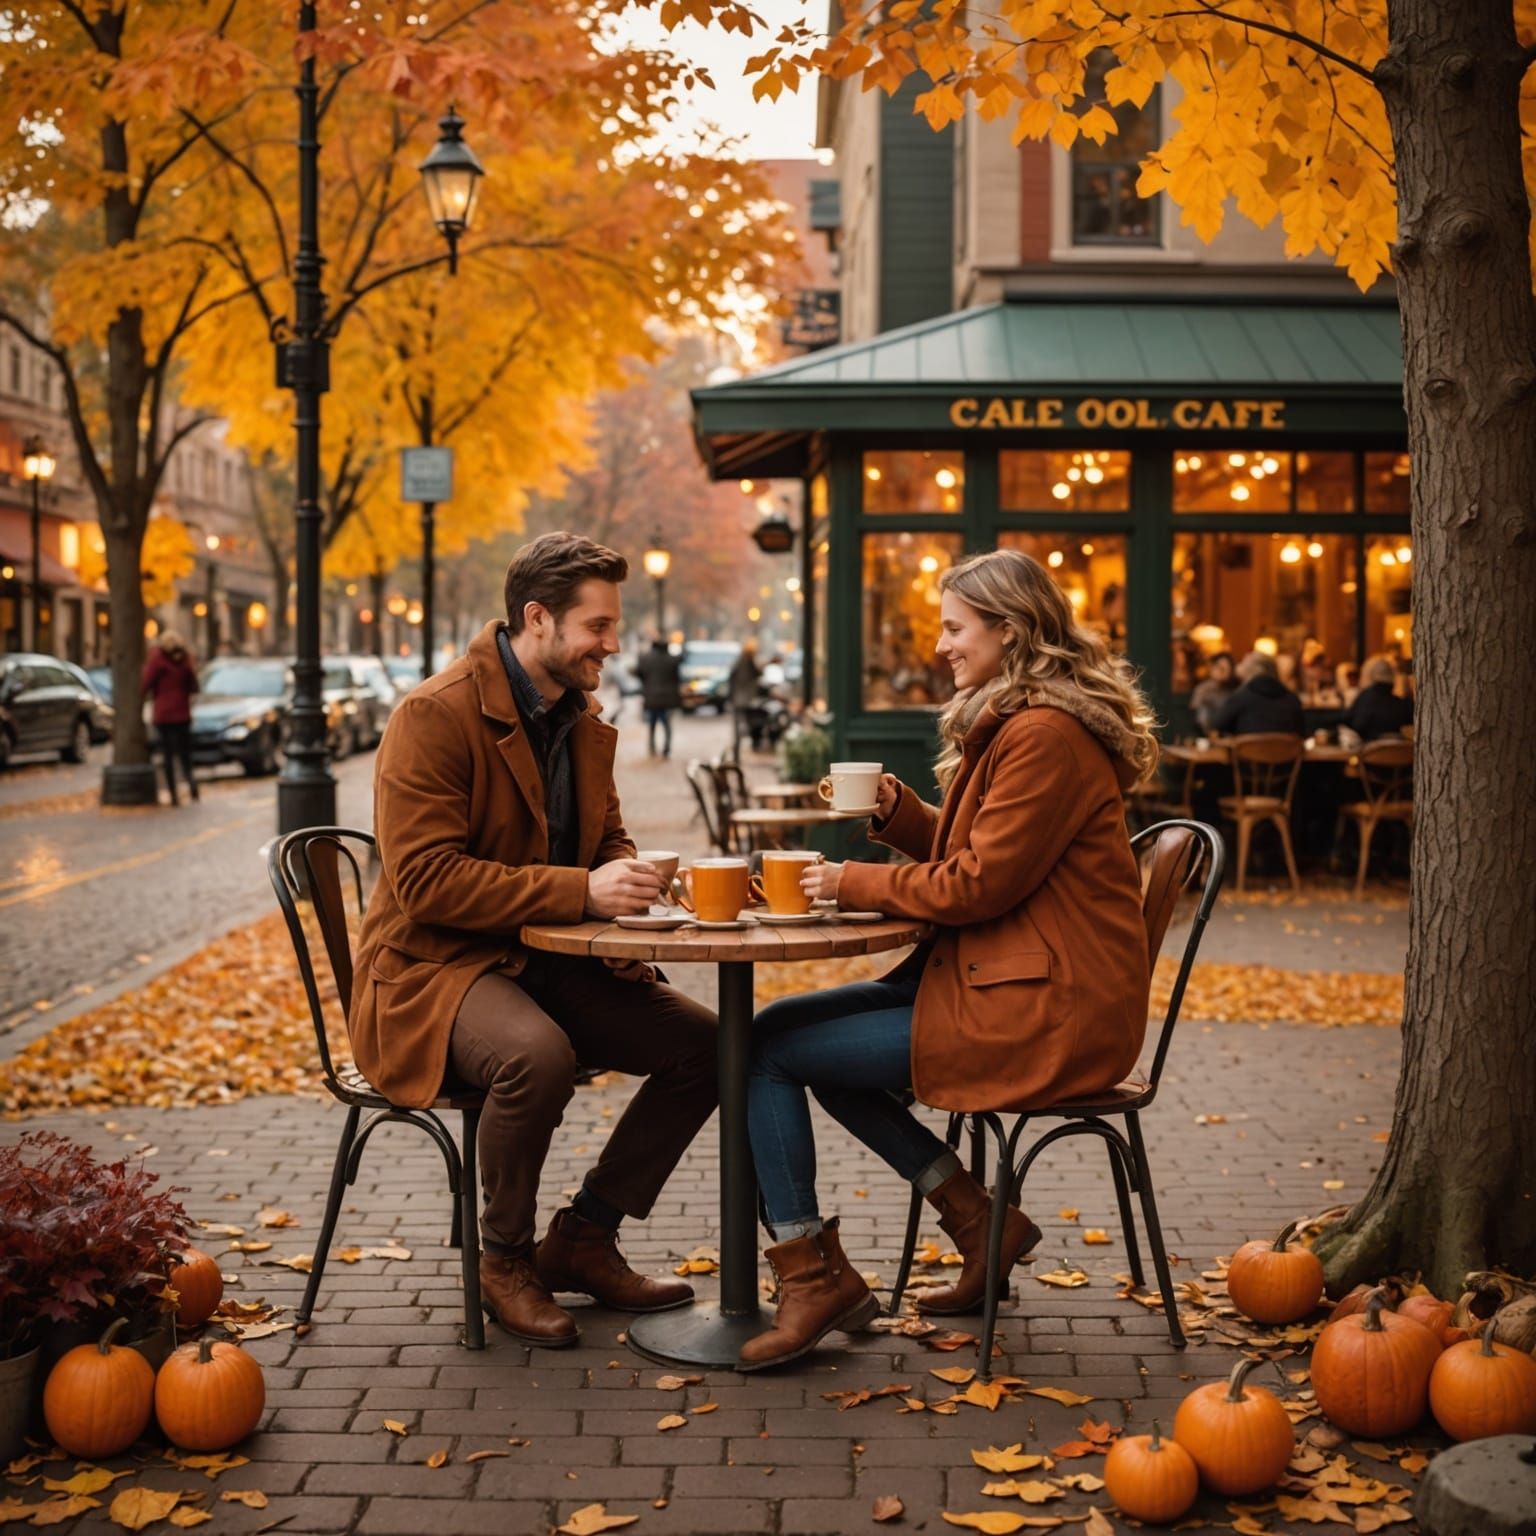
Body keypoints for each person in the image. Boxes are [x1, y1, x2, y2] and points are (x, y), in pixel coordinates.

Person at [737, 548, 1158, 1370]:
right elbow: (985, 857)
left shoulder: (1043, 735)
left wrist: (852, 881)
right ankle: (978, 1222)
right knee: (778, 1034)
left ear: (1011, 631)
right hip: (1010, 982)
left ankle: (812, 1278)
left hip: (1045, 1011)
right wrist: (898, 813)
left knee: (768, 1054)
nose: (941, 646)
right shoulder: (1025, 723)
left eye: (955, 628)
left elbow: (979, 884)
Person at [348, 533, 719, 1347]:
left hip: (546, 960)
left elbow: (608, 839)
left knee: (712, 1046)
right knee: (536, 1057)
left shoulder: (581, 718)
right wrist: (581, 893)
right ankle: (505, 1261)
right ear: (537, 618)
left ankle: (584, 1237)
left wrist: (622, 908)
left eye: (614, 625)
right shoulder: (432, 715)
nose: (611, 644)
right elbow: (426, 883)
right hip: (431, 971)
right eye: (598, 626)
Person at [141, 630, 199, 804]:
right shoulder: (185, 659)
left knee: (167, 756)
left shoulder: (157, 659)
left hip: (164, 714)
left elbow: (146, 683)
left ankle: (173, 795)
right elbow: (194, 685)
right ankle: (192, 785)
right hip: (182, 713)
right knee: (185, 753)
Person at [1209, 650, 1305, 736]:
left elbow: (1216, 725)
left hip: (1247, 751)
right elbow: (1301, 732)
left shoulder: (1241, 697)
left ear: (1251, 671)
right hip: (1286, 751)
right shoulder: (1292, 699)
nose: (1238, 666)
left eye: (1242, 662)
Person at [1344, 656, 1414, 742]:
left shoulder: (1366, 699)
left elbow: (1358, 724)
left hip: (1372, 747)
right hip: (1398, 748)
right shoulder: (1404, 705)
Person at [635, 635, 682, 758]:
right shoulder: (671, 659)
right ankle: (666, 748)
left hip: (651, 698)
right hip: (667, 699)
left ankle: (652, 747)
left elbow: (639, 673)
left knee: (652, 724)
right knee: (667, 724)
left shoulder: (646, 658)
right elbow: (678, 673)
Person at [1188, 651, 1237, 733]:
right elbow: (1196, 715)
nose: (1223, 672)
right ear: (1212, 668)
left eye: (1226, 669)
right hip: (1207, 734)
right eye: (1220, 668)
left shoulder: (1236, 689)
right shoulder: (1203, 689)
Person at [728, 639, 762, 757]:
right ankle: (738, 751)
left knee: (739, 727)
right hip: (745, 700)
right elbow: (758, 673)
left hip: (740, 699)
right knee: (744, 725)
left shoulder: (740, 662)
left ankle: (737, 752)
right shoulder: (748, 662)